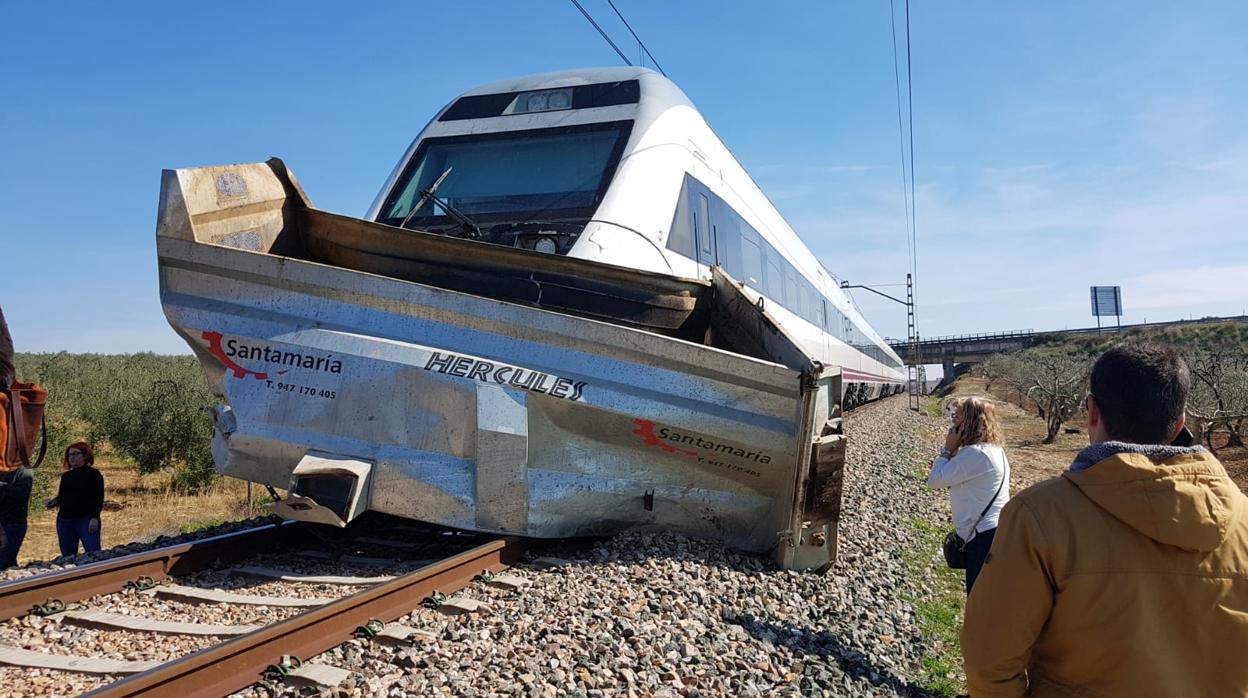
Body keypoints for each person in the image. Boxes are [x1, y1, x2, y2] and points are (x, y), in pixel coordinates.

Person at [962, 342, 1248, 697]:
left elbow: (989, 663)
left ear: (1092, 412)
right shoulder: (1242, 518)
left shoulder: (1039, 516)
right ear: (1180, 424)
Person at [926, 396, 1011, 593]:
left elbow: (935, 480)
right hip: (992, 533)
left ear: (972, 421)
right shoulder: (991, 450)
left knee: (980, 601)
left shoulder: (976, 455)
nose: (953, 421)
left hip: (983, 538)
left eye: (958, 416)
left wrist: (947, 450)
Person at [47, 441, 105, 556]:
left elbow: (98, 497)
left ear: (85, 455)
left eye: (75, 454)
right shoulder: (66, 476)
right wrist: (54, 502)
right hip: (65, 521)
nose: (71, 458)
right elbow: (63, 496)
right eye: (69, 455)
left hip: (86, 519)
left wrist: (94, 518)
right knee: (68, 557)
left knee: (94, 554)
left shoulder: (94, 474)